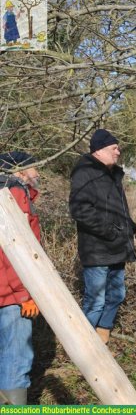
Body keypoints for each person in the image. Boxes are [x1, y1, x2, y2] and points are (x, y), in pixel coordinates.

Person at [69, 129, 136, 345]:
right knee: (96, 301)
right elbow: (80, 210)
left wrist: (129, 226)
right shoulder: (85, 172)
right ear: (99, 150)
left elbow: (117, 208)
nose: (118, 152)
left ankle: (103, 331)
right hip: (97, 249)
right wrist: (111, 230)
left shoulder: (113, 173)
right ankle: (84, 345)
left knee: (117, 295)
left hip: (117, 247)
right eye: (114, 148)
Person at [0, 152, 41, 404]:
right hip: (11, 295)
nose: (38, 173)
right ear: (19, 171)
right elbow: (13, 251)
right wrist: (25, 293)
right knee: (16, 359)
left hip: (6, 290)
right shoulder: (13, 193)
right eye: (34, 167)